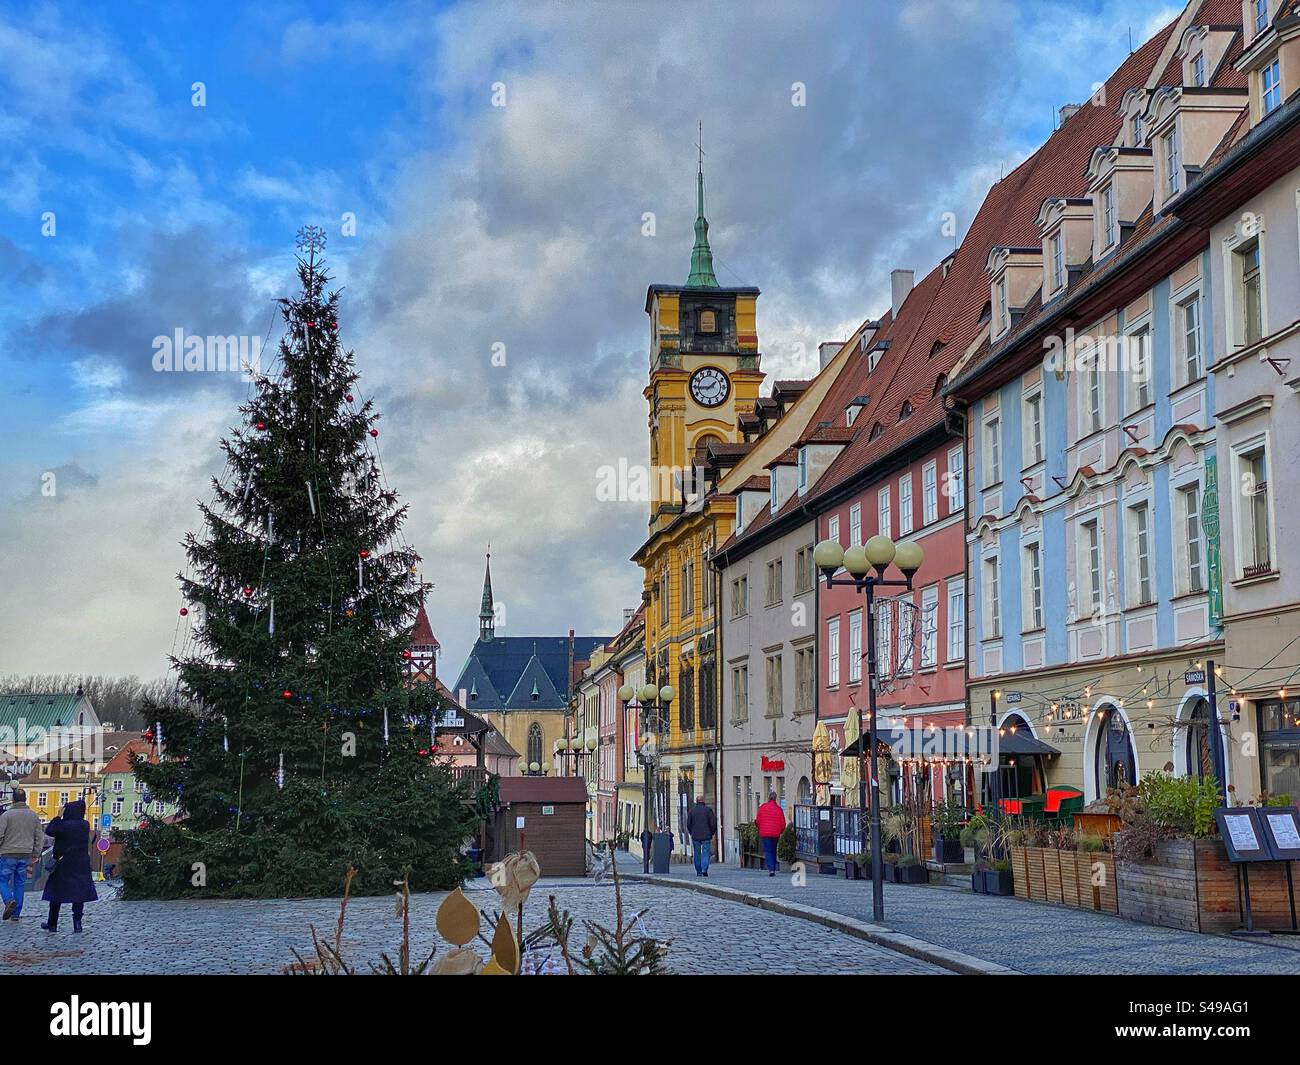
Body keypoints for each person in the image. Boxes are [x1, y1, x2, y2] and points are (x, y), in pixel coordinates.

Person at [40, 799, 97, 933]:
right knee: (79, 895)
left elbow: (50, 830)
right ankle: (77, 923)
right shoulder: (85, 825)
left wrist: (58, 816)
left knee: (56, 894)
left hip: (63, 863)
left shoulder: (64, 825)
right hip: (80, 864)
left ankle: (52, 923)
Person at [0, 789, 45, 920]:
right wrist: (36, 853)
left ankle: (9, 900)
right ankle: (16, 914)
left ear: (13, 800)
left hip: (8, 853)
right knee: (20, 883)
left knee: (2, 880)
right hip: (26, 854)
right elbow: (39, 837)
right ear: (25, 799)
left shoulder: (6, 816)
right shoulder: (33, 816)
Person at [755, 790, 786, 877]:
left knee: (768, 850)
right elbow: (783, 823)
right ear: (776, 798)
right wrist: (781, 831)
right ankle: (773, 867)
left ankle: (771, 869)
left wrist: (760, 828)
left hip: (765, 833)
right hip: (775, 834)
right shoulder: (779, 809)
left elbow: (757, 821)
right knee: (773, 849)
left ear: (768, 798)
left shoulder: (762, 807)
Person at [685, 795, 717, 877]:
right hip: (706, 835)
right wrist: (711, 833)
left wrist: (692, 832)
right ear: (703, 801)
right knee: (706, 853)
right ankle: (704, 869)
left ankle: (698, 871)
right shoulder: (708, 810)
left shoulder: (692, 811)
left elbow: (688, 824)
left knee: (697, 853)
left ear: (696, 801)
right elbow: (713, 824)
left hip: (695, 835)